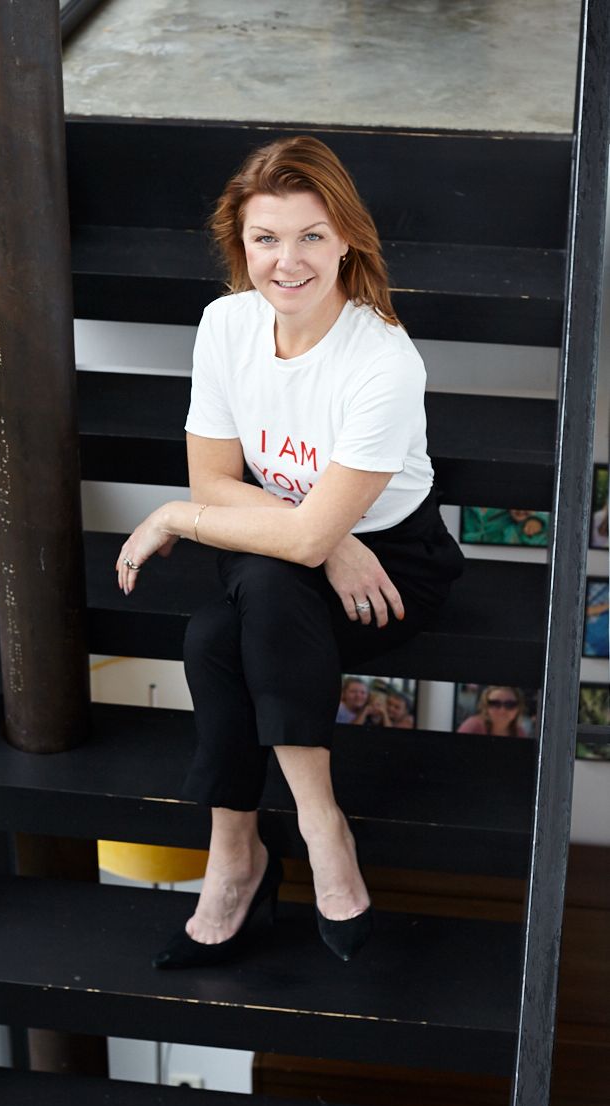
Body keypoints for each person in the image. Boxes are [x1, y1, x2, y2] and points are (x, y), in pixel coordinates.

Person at [115, 136, 464, 968]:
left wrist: (184, 517)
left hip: (391, 564)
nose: (287, 260)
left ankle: (261, 847)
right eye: (265, 238)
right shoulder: (226, 325)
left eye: (310, 236)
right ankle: (295, 833)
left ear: (346, 240)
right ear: (240, 246)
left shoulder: (381, 360)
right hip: (283, 543)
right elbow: (215, 479)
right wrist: (316, 537)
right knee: (263, 584)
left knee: (215, 634)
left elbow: (231, 507)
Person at [456, 686, 528, 738]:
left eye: (510, 704)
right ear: (485, 707)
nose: (502, 710)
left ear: (518, 708)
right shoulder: (472, 726)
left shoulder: (519, 732)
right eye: (495, 703)